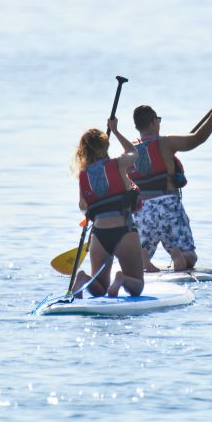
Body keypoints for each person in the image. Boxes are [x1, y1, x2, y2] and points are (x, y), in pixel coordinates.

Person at [126, 92, 212, 271]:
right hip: (168, 205)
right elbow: (197, 139)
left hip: (143, 210)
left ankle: (143, 258)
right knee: (189, 258)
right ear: (154, 121)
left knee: (137, 256)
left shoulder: (128, 151)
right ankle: (179, 255)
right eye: (158, 119)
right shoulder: (166, 143)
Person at [70, 118, 144, 297]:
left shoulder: (83, 176)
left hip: (98, 235)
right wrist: (116, 130)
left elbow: (84, 208)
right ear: (105, 146)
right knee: (137, 286)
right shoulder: (118, 164)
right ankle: (121, 279)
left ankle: (83, 278)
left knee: (100, 289)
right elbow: (134, 153)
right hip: (124, 229)